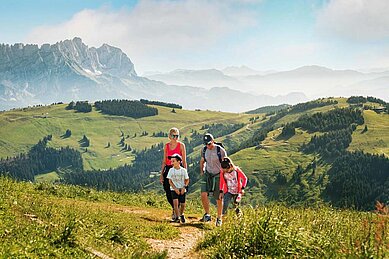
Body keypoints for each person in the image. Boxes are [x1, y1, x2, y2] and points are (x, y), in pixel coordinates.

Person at [199, 133, 226, 227]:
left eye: (209, 143)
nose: (208, 146)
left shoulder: (220, 150)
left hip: (218, 175)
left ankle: (219, 218)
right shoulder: (204, 150)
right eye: (206, 144)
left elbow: (225, 163)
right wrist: (202, 171)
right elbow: (202, 161)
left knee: (218, 197)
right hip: (207, 173)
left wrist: (225, 176)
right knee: (203, 194)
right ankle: (207, 214)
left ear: (213, 141)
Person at [160, 127, 187, 220]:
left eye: (177, 136)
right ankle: (175, 209)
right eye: (173, 136)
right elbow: (164, 160)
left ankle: (177, 213)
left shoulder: (181, 145)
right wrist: (161, 174)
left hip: (179, 170)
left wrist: (185, 173)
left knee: (178, 191)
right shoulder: (166, 146)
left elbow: (184, 161)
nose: (175, 138)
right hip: (168, 169)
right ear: (169, 136)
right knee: (167, 190)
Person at [166, 153, 189, 223]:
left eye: (173, 161)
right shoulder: (171, 170)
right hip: (173, 189)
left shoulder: (183, 170)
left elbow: (187, 179)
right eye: (171, 161)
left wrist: (184, 187)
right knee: (175, 204)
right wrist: (175, 188)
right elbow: (170, 181)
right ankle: (177, 217)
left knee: (182, 204)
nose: (171, 163)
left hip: (182, 188)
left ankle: (181, 214)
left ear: (179, 161)